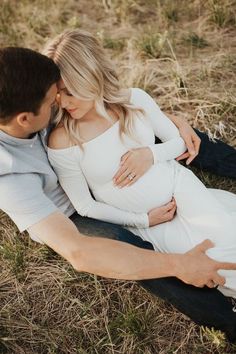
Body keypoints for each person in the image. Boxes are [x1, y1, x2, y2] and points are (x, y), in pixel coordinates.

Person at [0, 46, 236, 342]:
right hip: (72, 209)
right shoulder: (8, 178)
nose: (58, 103)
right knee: (127, 249)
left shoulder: (31, 93)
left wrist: (167, 122)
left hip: (114, 158)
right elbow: (78, 251)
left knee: (182, 140)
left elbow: (105, 100)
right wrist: (178, 261)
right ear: (24, 119)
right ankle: (227, 321)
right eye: (52, 102)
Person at [43, 29, 236, 297]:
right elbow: (84, 206)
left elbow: (179, 142)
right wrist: (143, 220)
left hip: (178, 186)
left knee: (226, 236)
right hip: (151, 224)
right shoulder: (63, 139)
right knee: (208, 259)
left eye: (69, 92)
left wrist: (150, 154)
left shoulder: (133, 100)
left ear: (90, 76)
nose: (63, 103)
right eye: (57, 95)